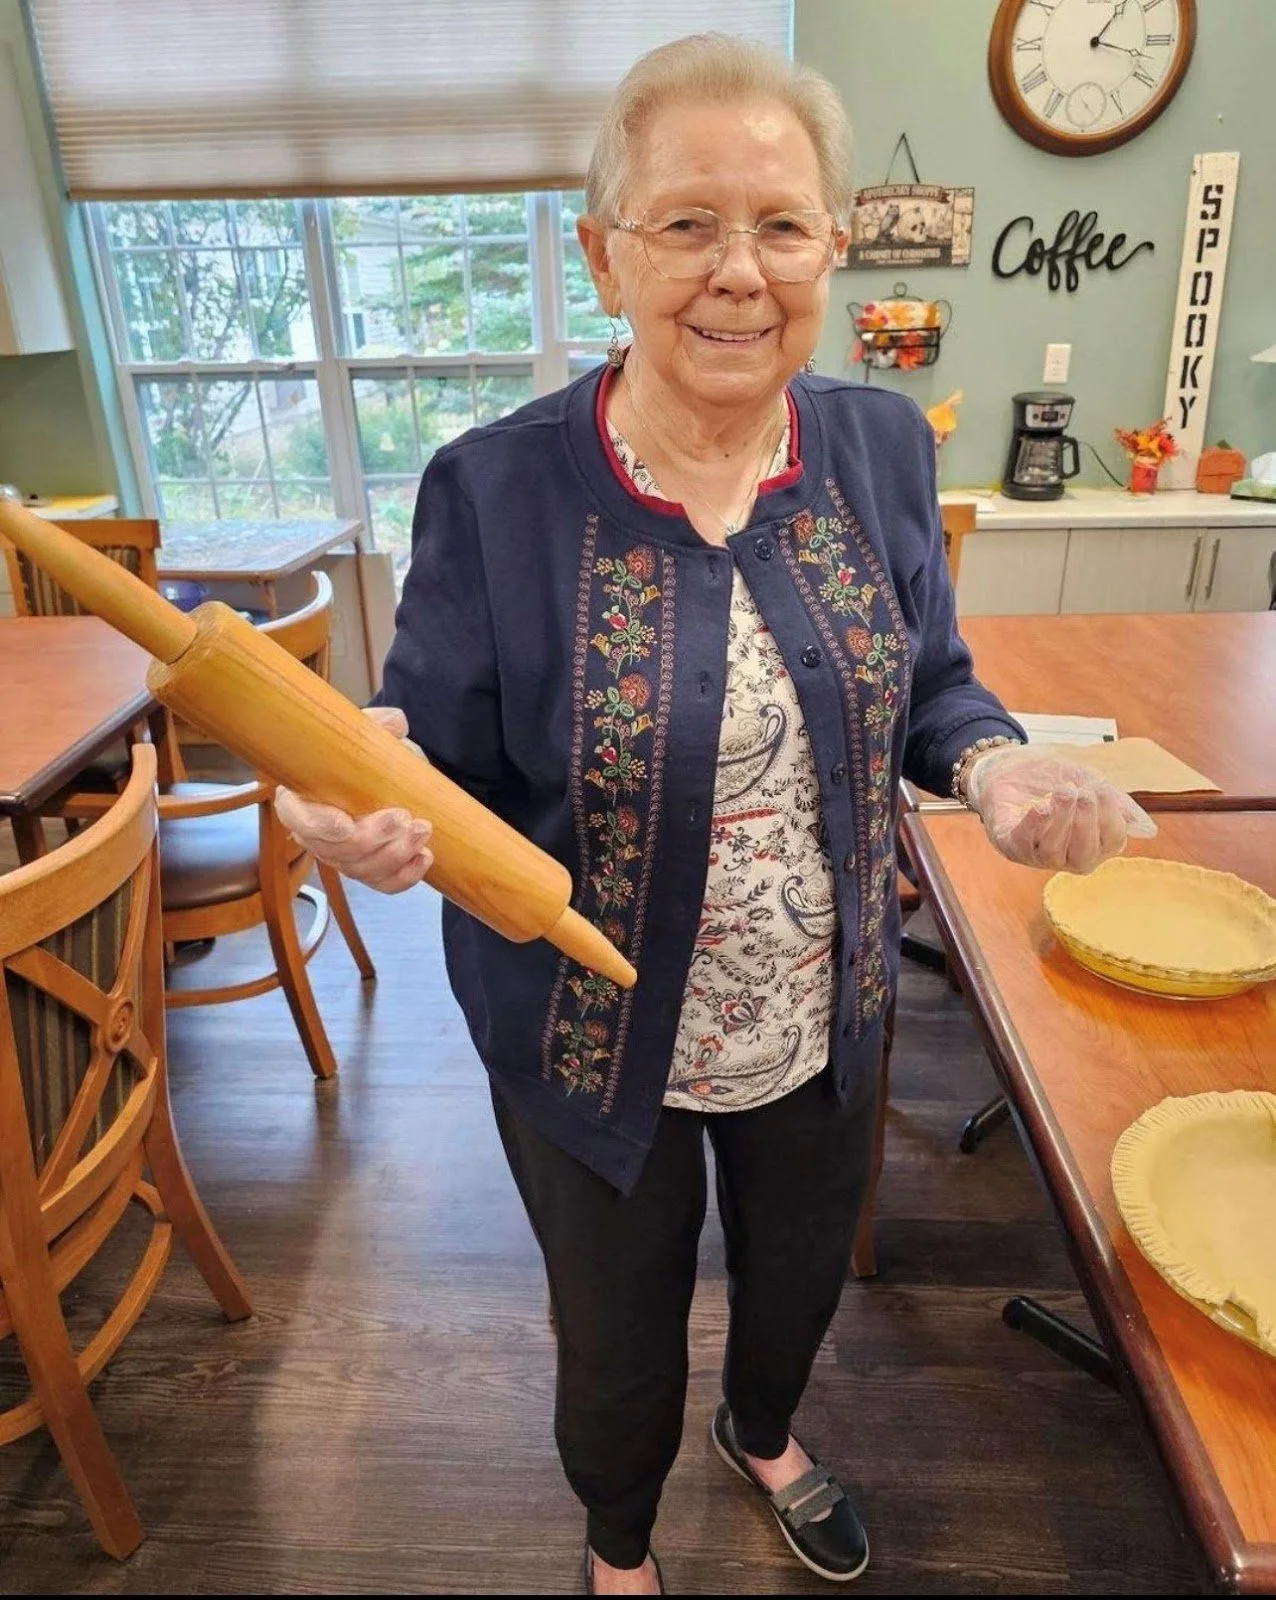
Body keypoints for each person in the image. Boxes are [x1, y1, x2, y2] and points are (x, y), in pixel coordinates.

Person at [274, 34, 1155, 1595]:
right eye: (686, 224)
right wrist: (372, 808)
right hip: (591, 1030)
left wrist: (999, 766)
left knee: (799, 1275)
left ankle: (766, 1433)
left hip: (824, 1010)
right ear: (607, 251)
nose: (737, 272)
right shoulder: (496, 491)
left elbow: (934, 681)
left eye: (781, 225)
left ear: (829, 246)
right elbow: (429, 767)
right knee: (612, 1340)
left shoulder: (880, 447)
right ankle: (619, 1544)